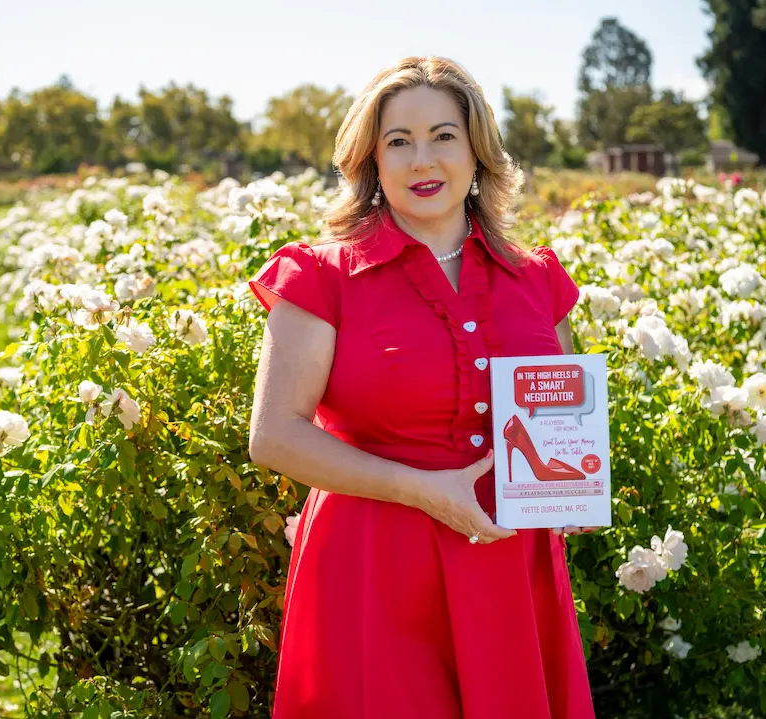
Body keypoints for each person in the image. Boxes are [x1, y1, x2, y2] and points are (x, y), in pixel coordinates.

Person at [248, 55, 596, 719]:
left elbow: (563, 421)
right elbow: (274, 437)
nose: (422, 161)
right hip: (375, 568)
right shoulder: (320, 277)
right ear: (371, 162)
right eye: (398, 142)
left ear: (478, 152)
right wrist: (422, 490)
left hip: (507, 567)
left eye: (443, 136)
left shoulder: (537, 278)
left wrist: (572, 491)